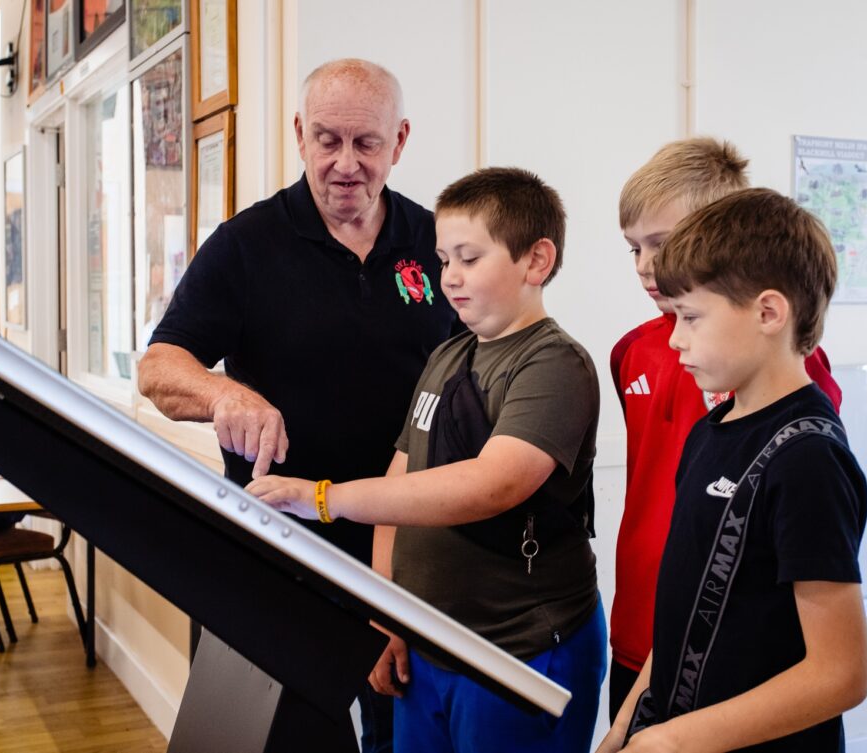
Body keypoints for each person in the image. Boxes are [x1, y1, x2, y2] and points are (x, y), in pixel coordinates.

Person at [137, 58, 457, 753]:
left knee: (395, 740)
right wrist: (224, 393)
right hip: (278, 560)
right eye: (327, 140)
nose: (346, 164)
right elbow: (158, 368)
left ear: (400, 141)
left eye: (366, 143)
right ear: (299, 135)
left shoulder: (437, 243)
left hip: (404, 559)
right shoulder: (246, 245)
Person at [248, 167, 606, 753]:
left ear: (536, 261)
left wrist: (324, 498)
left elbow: (492, 484)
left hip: (515, 651)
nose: (450, 277)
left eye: (470, 258)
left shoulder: (554, 363)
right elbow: (401, 477)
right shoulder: (447, 355)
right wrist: (386, 610)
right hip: (427, 643)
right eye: (443, 260)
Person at [597, 187, 867, 752]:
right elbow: (680, 618)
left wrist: (677, 740)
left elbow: (840, 674)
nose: (675, 338)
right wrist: (624, 727)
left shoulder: (809, 459)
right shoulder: (708, 433)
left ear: (769, 313)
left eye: (692, 317)